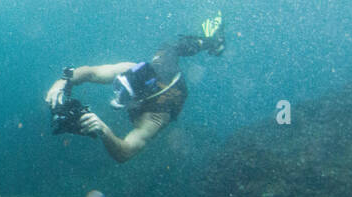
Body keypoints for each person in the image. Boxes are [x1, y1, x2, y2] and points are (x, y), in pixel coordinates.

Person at [46, 13, 225, 163]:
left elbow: (125, 153)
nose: (116, 96)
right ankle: (207, 41)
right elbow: (92, 73)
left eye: (123, 95)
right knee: (170, 46)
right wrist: (63, 81)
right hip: (162, 68)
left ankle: (210, 42)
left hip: (170, 95)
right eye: (118, 86)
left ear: (138, 96)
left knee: (171, 49)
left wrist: (104, 130)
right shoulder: (133, 69)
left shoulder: (155, 117)